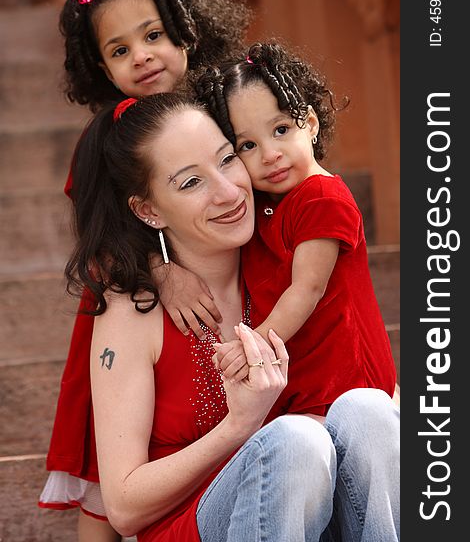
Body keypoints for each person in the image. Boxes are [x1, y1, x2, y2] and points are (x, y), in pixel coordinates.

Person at [65, 92, 399, 541]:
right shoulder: (132, 314)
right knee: (294, 443)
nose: (228, 192)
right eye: (190, 183)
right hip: (196, 526)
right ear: (149, 210)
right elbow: (124, 507)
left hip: (309, 517)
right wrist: (240, 425)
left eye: (227, 159)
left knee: (368, 410)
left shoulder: (289, 272)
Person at [38, 0, 252, 539]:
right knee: (107, 475)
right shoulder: (110, 140)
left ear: (185, 26)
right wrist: (161, 274)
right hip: (129, 299)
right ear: (101, 68)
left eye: (153, 35)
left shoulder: (226, 103)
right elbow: (100, 243)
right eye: (120, 51)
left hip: (230, 287)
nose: (143, 56)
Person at [192, 41, 397, 420]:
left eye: (282, 129)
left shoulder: (322, 196)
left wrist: (254, 344)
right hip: (301, 372)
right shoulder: (261, 205)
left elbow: (307, 287)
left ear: (312, 124)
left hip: (344, 377)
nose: (270, 154)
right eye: (247, 145)